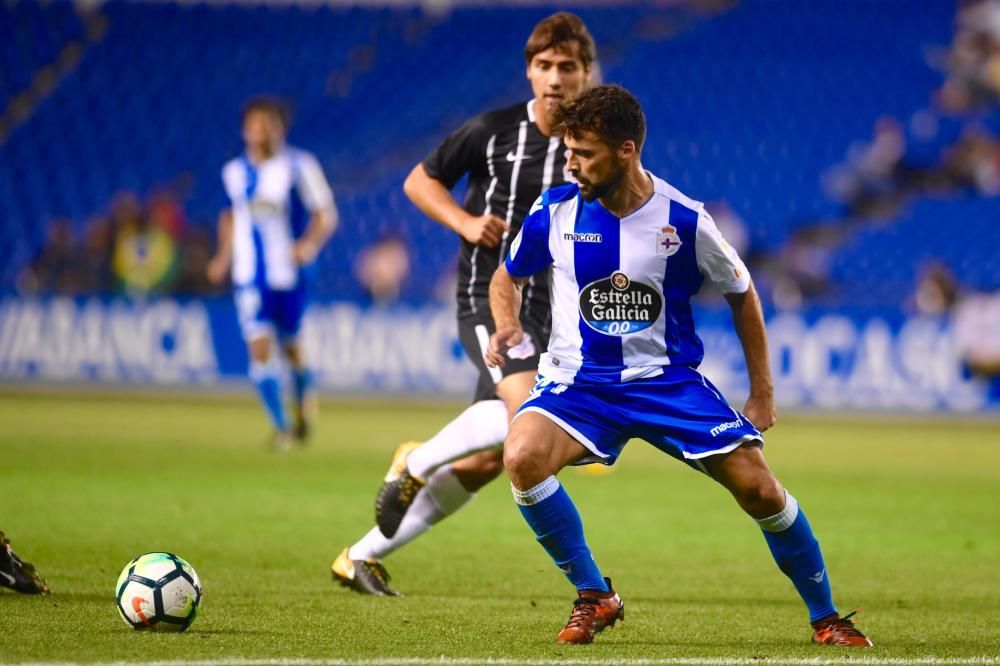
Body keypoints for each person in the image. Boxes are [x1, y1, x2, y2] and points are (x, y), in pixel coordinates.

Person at [485, 85, 873, 648]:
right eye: (567, 151)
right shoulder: (554, 210)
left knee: (761, 490)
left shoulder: (685, 220)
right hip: (579, 385)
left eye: (583, 153)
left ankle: (827, 617)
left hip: (668, 383)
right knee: (521, 456)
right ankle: (594, 595)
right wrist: (507, 322)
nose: (571, 164)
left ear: (626, 150)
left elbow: (743, 293)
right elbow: (508, 275)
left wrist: (762, 392)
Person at [331, 12, 596, 596]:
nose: (556, 78)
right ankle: (418, 458)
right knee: (528, 418)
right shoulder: (493, 131)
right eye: (545, 66)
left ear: (586, 73)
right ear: (529, 71)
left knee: (491, 461)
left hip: (557, 319)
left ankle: (360, 556)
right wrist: (466, 221)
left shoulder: (591, 145)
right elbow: (420, 181)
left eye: (568, 67)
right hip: (488, 296)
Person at [208, 97, 338, 450]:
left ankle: (303, 412)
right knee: (260, 346)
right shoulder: (233, 172)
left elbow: (325, 214)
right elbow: (229, 215)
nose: (260, 132)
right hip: (250, 276)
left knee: (293, 349)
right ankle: (282, 428)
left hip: (290, 275)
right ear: (244, 130)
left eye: (268, 124)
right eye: (254, 125)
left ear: (280, 128)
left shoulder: (299, 166)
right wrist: (223, 256)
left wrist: (308, 245)